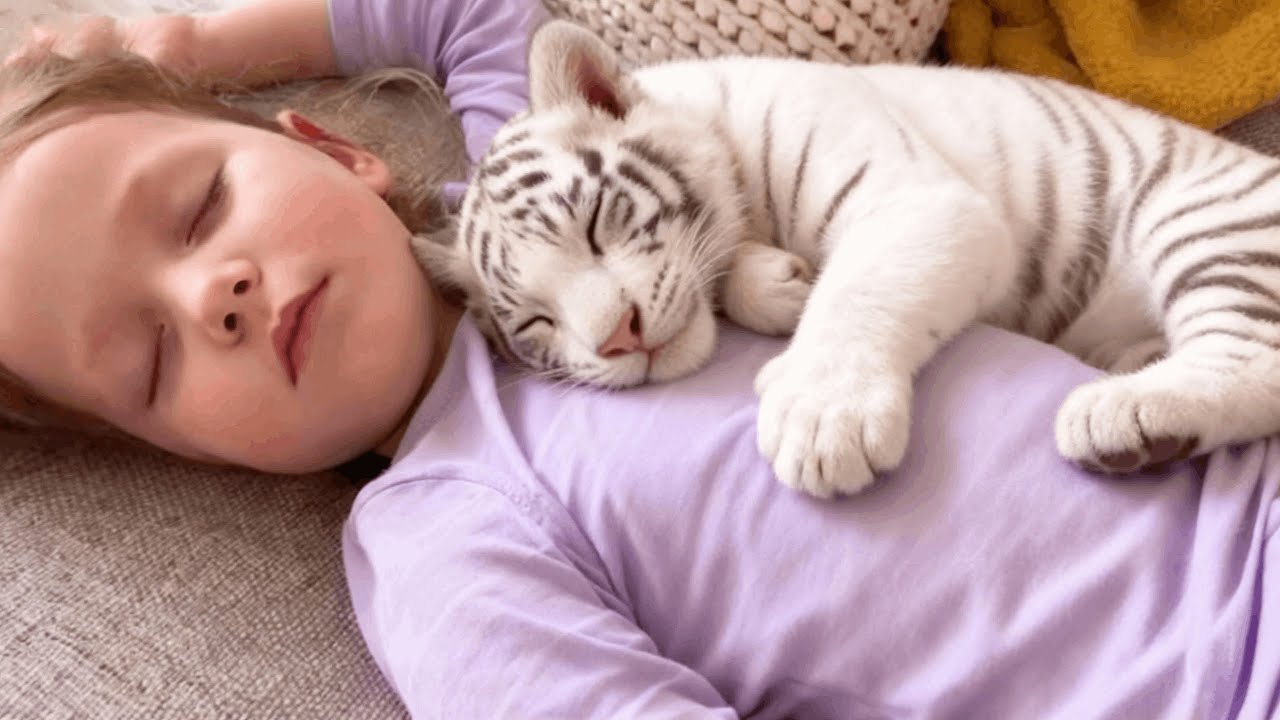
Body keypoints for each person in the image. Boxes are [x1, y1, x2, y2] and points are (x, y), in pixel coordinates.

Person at [3, 1, 1277, 717]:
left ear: (341, 154)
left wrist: (199, 50)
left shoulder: (531, 181)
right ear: (195, 455)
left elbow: (470, 12)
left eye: (195, 207)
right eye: (152, 361)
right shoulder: (442, 532)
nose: (211, 295)